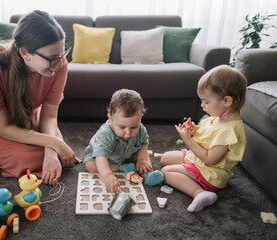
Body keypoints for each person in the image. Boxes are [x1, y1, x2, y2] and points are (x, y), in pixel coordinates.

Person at [0, 10, 77, 185]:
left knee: (55, 154)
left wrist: (51, 149)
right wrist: (55, 143)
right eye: (52, 58)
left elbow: (49, 115)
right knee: (31, 158)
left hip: (29, 113)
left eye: (62, 53)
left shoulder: (60, 64)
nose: (59, 62)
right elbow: (3, 128)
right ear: (25, 53)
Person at [160, 65, 247, 212]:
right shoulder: (218, 117)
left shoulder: (228, 132)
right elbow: (210, 133)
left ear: (226, 101)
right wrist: (195, 129)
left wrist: (188, 140)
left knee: (166, 172)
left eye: (206, 102)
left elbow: (209, 159)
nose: (202, 105)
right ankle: (191, 176)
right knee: (165, 158)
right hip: (197, 160)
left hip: (209, 172)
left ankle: (200, 193)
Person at [84, 89, 164, 193]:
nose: (128, 133)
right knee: (90, 166)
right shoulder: (106, 133)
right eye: (122, 127)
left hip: (127, 154)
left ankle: (147, 175)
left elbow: (144, 144)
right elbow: (101, 156)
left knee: (144, 155)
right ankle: (122, 167)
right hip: (106, 159)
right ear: (111, 119)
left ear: (141, 118)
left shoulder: (141, 129)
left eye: (134, 127)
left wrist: (141, 160)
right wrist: (107, 176)